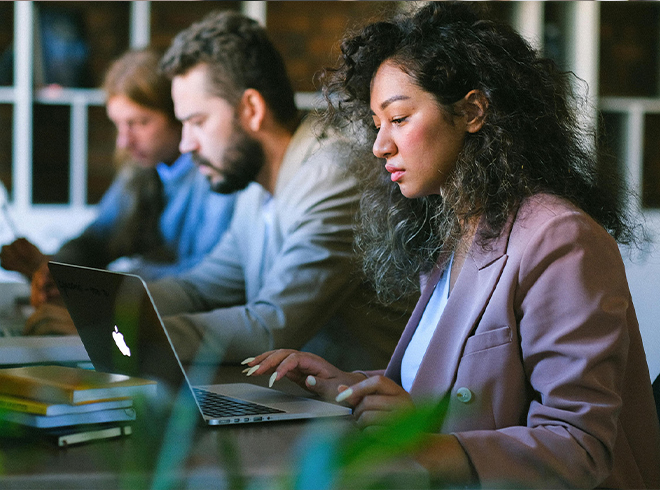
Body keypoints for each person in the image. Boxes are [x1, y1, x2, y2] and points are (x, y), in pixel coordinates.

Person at [243, 3, 660, 488]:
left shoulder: (560, 239)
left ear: (471, 111)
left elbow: (579, 447)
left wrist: (424, 441)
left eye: (398, 118)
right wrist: (351, 388)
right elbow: (461, 381)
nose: (380, 145)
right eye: (377, 124)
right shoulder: (461, 233)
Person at [23, 11, 412, 369]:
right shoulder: (255, 184)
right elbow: (200, 288)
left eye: (197, 122)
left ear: (251, 110)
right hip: (299, 405)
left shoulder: (333, 172)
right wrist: (94, 303)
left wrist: (111, 332)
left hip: (365, 426)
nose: (187, 144)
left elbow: (271, 325)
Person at [1, 48, 237, 297]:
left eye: (140, 123)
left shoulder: (216, 174)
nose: (124, 141)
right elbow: (97, 239)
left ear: (178, 115)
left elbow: (208, 276)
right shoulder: (142, 168)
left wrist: (103, 282)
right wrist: (56, 267)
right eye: (119, 125)